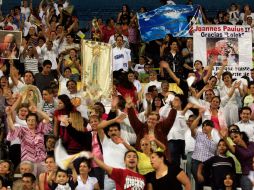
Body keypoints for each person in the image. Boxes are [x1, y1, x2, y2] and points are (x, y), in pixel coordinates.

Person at [6, 105, 52, 177]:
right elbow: (12, 129)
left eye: (33, 120)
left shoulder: (40, 130)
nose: (31, 122)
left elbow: (47, 119)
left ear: (37, 122)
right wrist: (8, 115)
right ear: (26, 121)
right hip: (28, 162)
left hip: (41, 161)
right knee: (30, 182)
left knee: (43, 180)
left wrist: (37, 110)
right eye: (29, 120)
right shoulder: (22, 130)